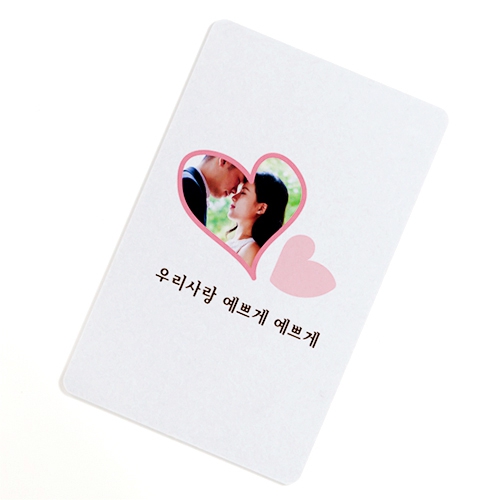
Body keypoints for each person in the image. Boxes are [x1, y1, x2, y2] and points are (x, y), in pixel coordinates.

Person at [227, 172, 289, 266]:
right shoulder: (235, 243)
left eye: (243, 193)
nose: (234, 197)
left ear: (261, 208)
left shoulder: (251, 250)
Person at [182, 156, 245, 225]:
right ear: (224, 161)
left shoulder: (193, 186)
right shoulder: (188, 185)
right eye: (238, 181)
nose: (235, 191)